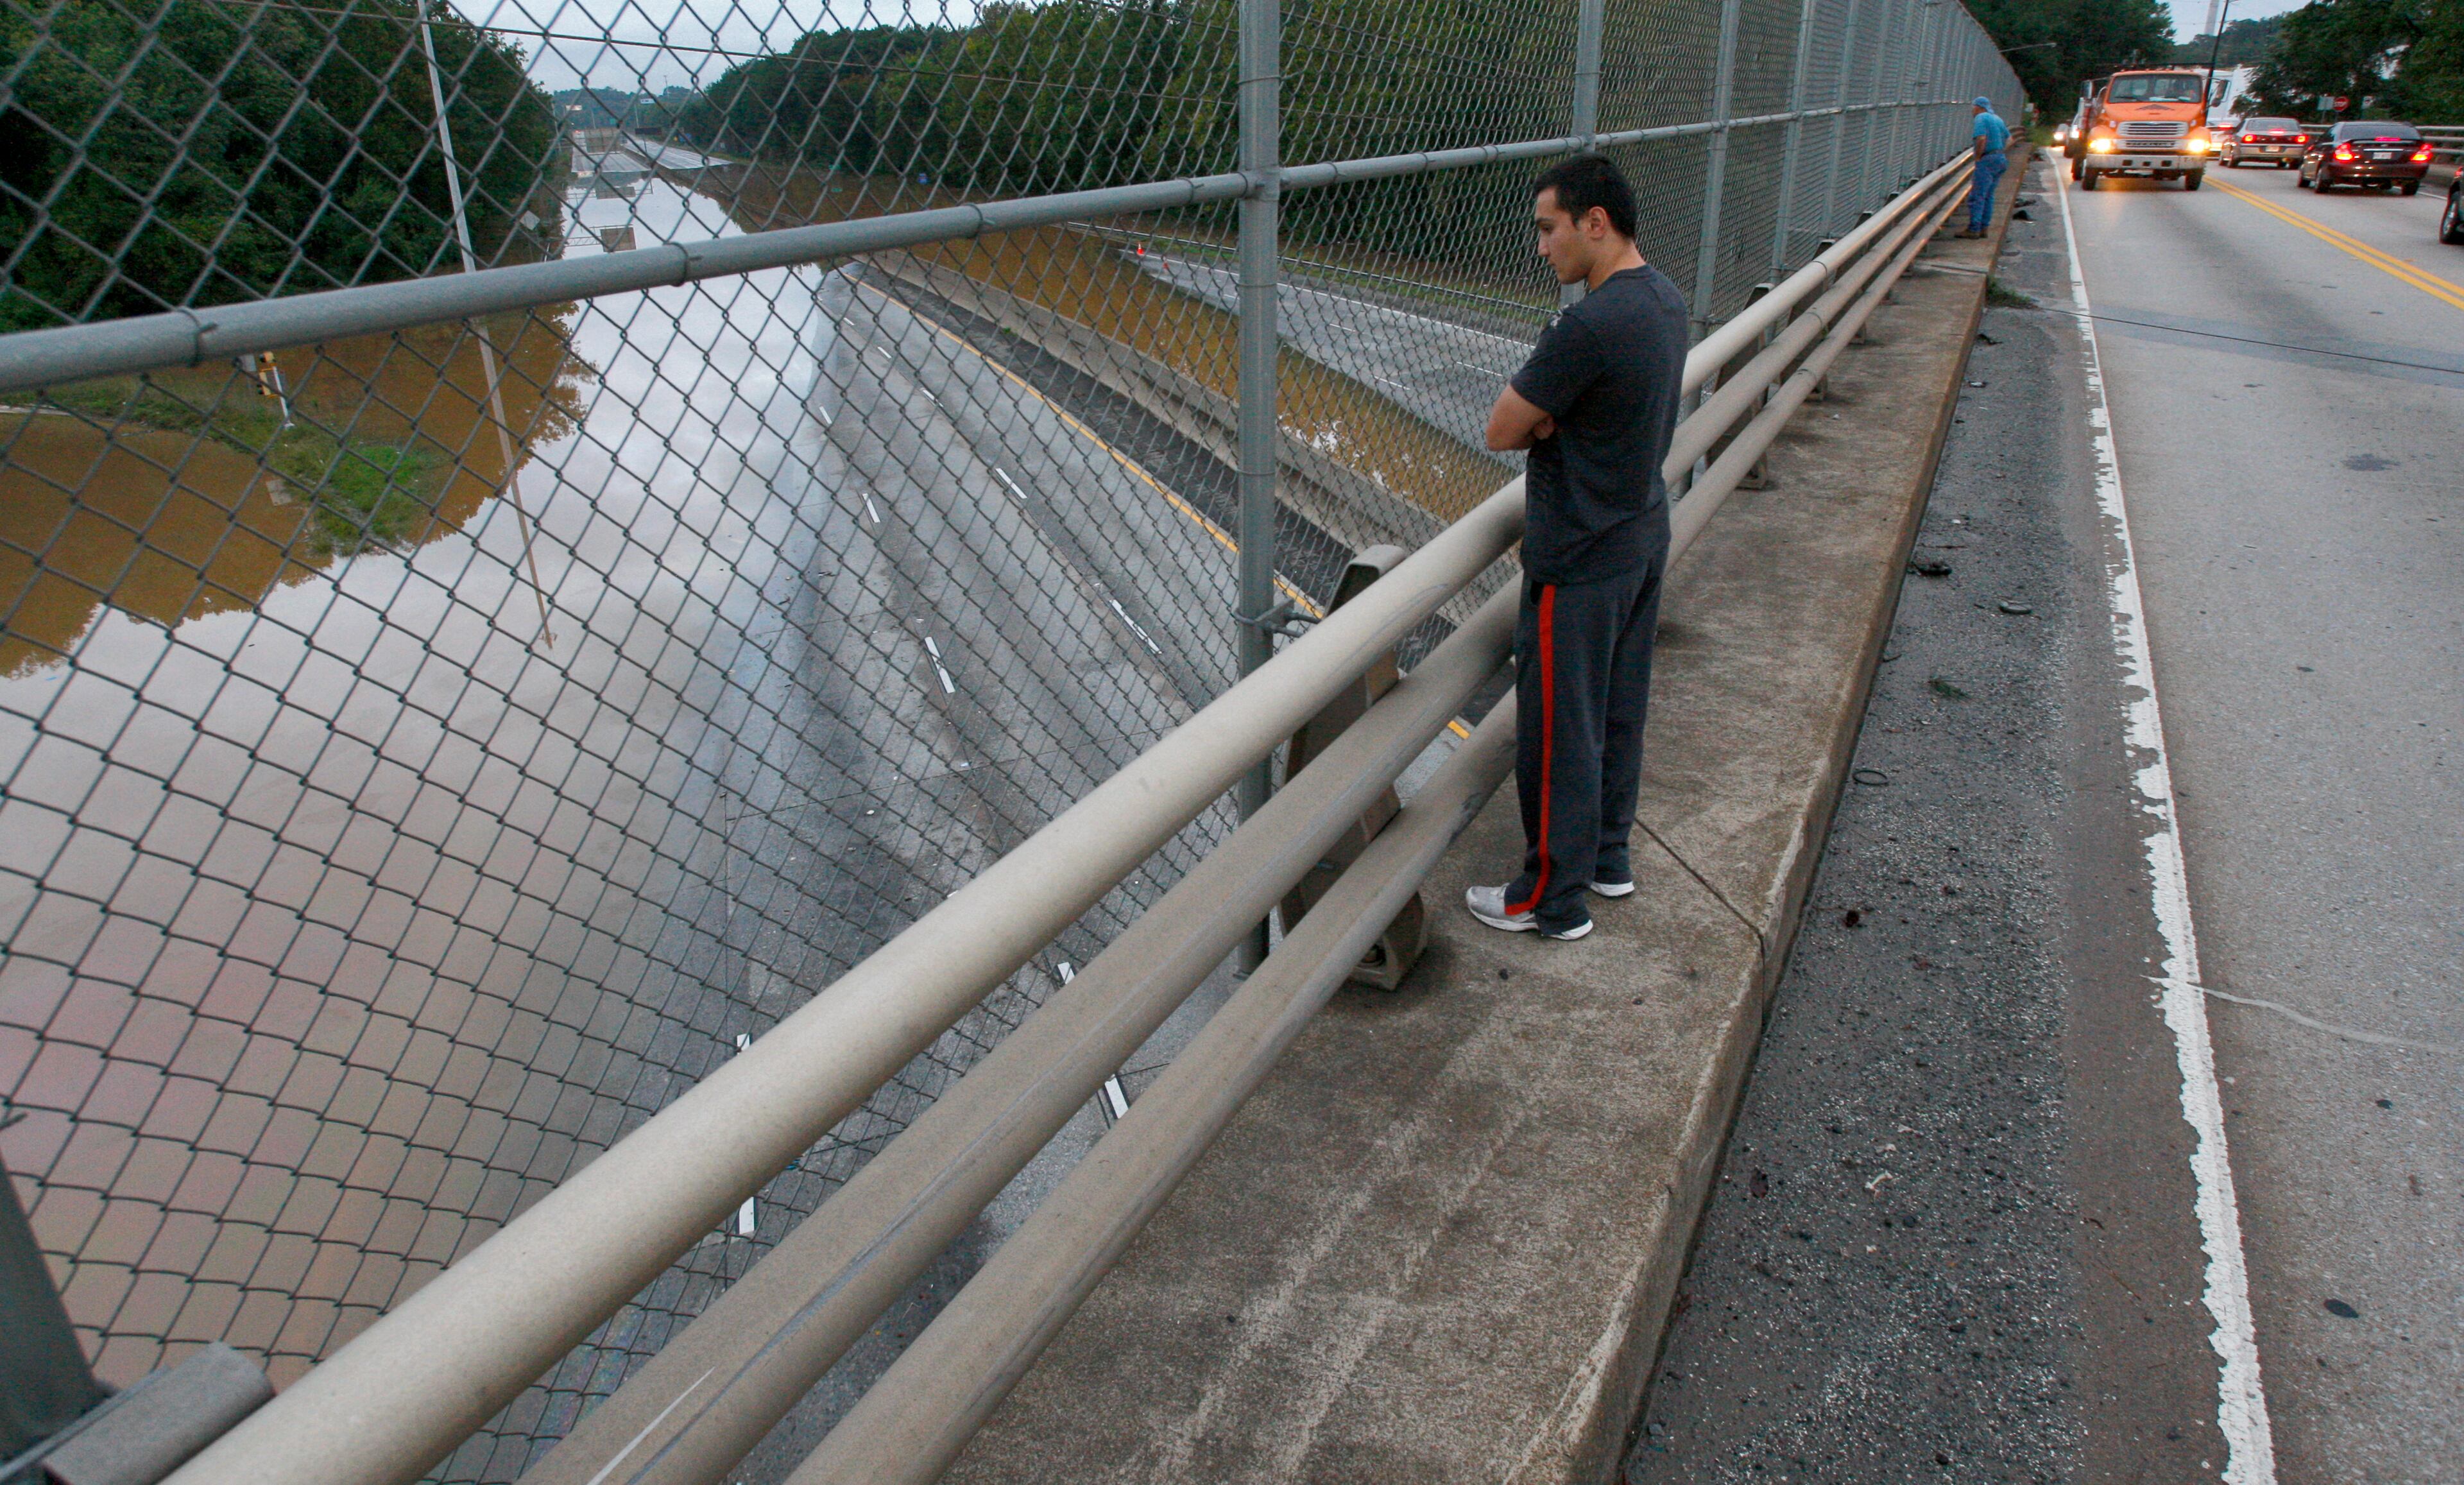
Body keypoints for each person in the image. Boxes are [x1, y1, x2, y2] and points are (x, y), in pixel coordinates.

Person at [1464, 155, 1687, 941]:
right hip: (1639, 537)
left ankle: (1548, 900)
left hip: (1580, 556)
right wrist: (1559, 418)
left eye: (1549, 228)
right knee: (1619, 711)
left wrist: (1549, 420)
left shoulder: (1587, 325)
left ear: (1596, 223)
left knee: (1560, 730)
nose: (1542, 246)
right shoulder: (1663, 300)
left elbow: (1499, 431)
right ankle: (1606, 858)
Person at [1964, 96, 2010, 239]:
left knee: (1978, 195)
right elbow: (2010, 138)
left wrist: (1978, 156)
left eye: (1973, 107)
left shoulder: (1981, 118)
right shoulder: (1997, 119)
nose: (1972, 110)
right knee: (1989, 195)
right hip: (2000, 159)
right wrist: (1999, 152)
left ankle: (1974, 229)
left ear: (1979, 107)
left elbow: (1981, 138)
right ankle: (1984, 228)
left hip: (1987, 159)